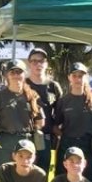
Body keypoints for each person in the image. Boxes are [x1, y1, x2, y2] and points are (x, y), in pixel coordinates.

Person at [0, 59, 44, 172]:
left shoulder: (32, 96)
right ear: (7, 75)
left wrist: (30, 131)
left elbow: (40, 121)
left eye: (19, 72)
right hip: (5, 142)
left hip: (27, 142)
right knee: (3, 176)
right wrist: (1, 129)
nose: (16, 75)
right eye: (12, 72)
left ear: (24, 74)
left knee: (25, 177)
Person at [52, 62, 92, 182]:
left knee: (90, 178)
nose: (78, 79)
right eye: (75, 76)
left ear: (86, 77)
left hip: (87, 145)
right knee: (63, 176)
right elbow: (55, 125)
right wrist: (65, 137)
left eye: (81, 76)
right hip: (67, 143)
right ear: (69, 77)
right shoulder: (63, 101)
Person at [25, 47, 63, 175]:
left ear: (46, 63)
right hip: (26, 135)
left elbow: (60, 112)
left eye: (41, 61)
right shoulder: (23, 84)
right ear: (29, 63)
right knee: (25, 170)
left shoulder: (53, 86)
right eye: (34, 61)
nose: (38, 64)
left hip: (45, 137)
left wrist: (56, 129)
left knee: (42, 172)